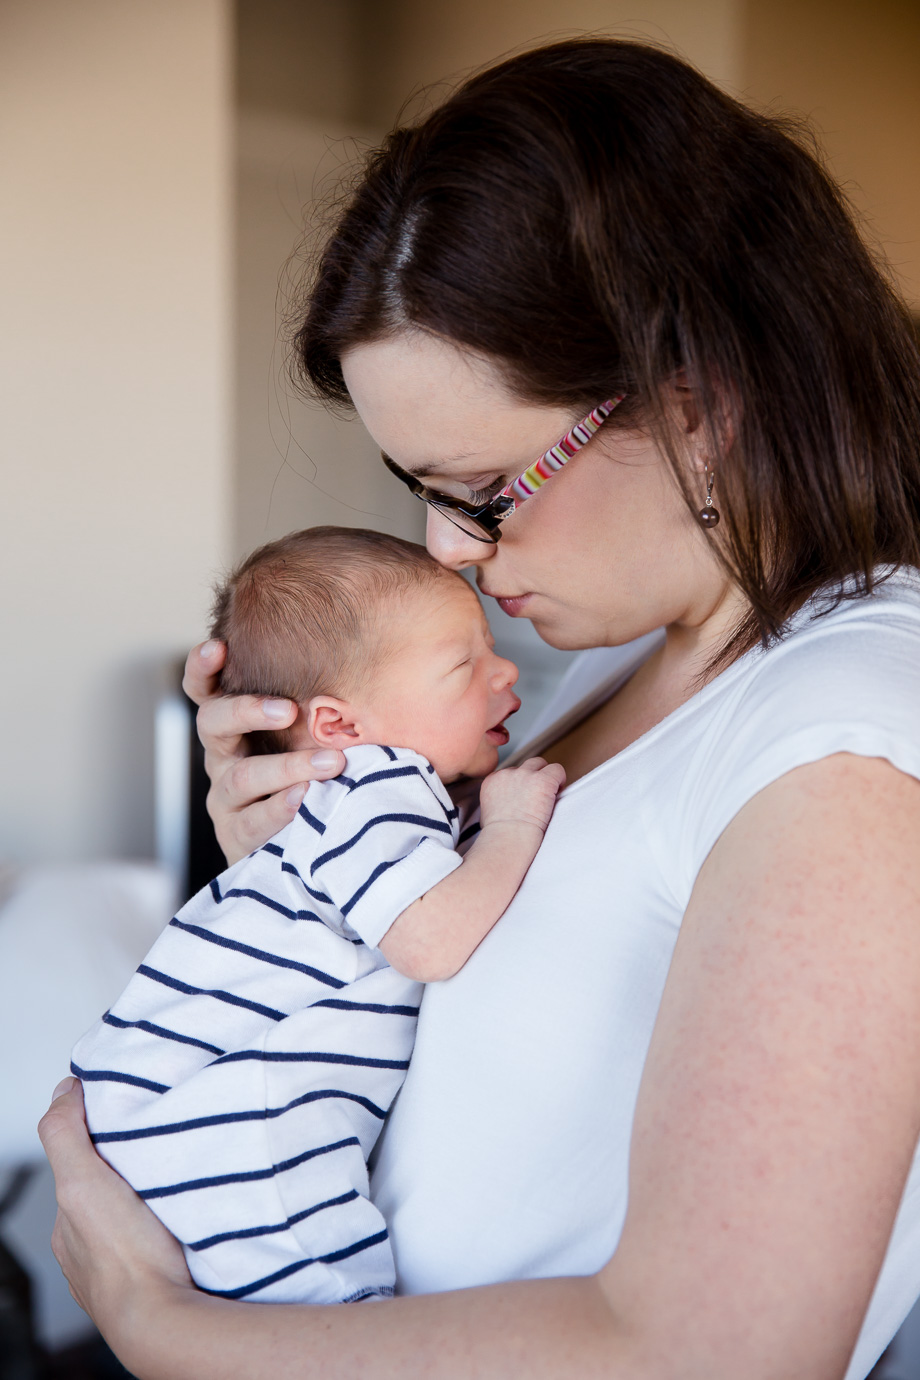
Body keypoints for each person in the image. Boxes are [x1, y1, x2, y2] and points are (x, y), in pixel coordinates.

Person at [39, 37, 920, 1380]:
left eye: (483, 490)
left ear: (700, 411)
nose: (447, 551)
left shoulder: (846, 742)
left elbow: (713, 1349)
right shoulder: (630, 665)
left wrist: (169, 1332)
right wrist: (295, 861)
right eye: (418, 488)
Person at [71, 525, 562, 1304]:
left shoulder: (366, 796)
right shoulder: (375, 785)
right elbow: (430, 941)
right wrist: (509, 828)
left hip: (187, 1109)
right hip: (236, 1124)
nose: (505, 670)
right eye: (463, 665)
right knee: (320, 1316)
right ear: (338, 727)